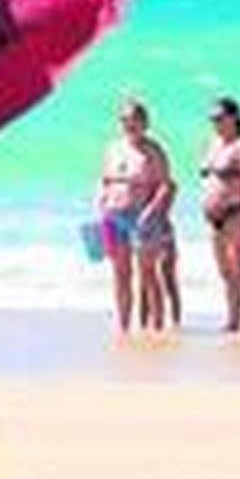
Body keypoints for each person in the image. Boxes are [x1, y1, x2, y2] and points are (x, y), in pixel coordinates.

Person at [94, 95, 177, 333]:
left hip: (143, 217)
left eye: (134, 120)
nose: (130, 125)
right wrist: (99, 203)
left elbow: (166, 185)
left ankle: (157, 326)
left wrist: (151, 212)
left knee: (148, 273)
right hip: (113, 215)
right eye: (125, 120)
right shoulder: (112, 147)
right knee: (121, 274)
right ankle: (123, 325)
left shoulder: (153, 150)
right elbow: (103, 180)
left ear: (145, 122)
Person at [200, 96, 240, 333]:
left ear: (235, 117)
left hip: (236, 214)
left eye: (219, 118)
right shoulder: (212, 143)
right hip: (214, 218)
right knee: (225, 271)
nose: (215, 123)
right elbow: (209, 178)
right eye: (212, 119)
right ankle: (233, 320)